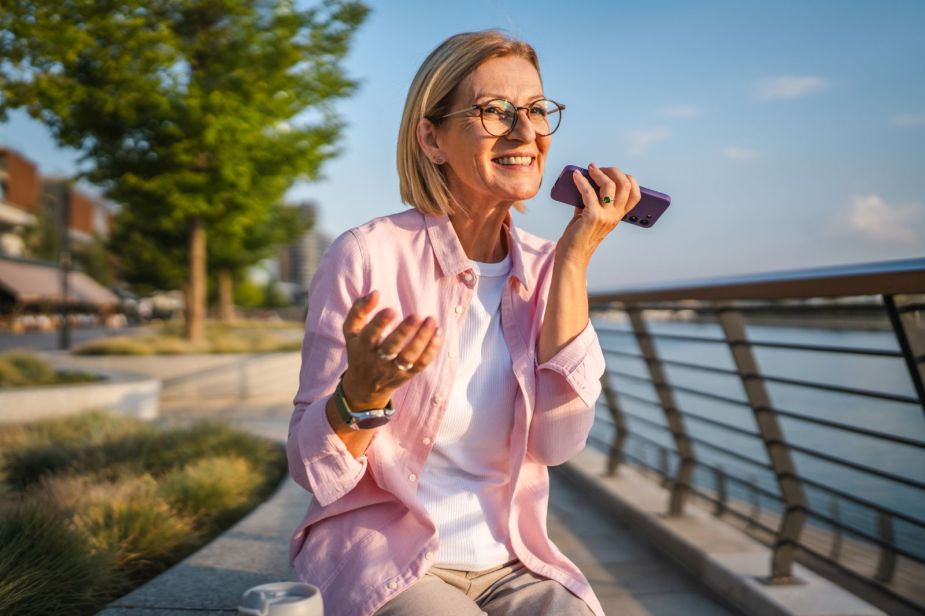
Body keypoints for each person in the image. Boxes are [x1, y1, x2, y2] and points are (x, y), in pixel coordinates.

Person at [287, 30, 640, 616]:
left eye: (535, 110)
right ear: (431, 137)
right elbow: (313, 472)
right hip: (388, 562)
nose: (525, 132)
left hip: (513, 562)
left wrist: (575, 258)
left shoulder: (548, 266)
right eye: (495, 112)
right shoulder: (365, 255)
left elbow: (559, 442)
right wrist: (363, 394)